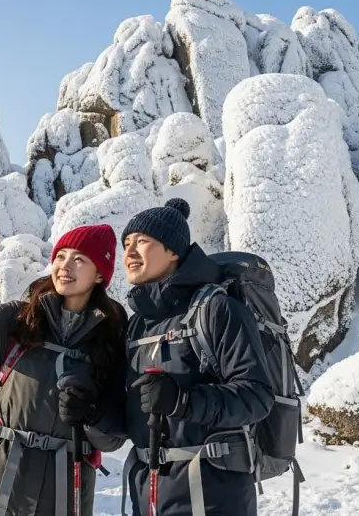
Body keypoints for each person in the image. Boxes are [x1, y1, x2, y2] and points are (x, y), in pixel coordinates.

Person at [0, 224, 128, 516]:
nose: (65, 266)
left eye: (79, 259)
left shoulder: (111, 337)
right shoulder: (19, 317)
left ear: (100, 274)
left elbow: (113, 438)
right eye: (61, 256)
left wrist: (91, 414)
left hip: (62, 495)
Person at [119, 198, 275, 516]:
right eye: (126, 244)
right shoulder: (136, 324)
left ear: (174, 252)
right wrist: (90, 409)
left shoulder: (217, 310)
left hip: (211, 494)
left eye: (143, 242)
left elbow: (257, 397)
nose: (130, 252)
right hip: (146, 492)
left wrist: (184, 402)